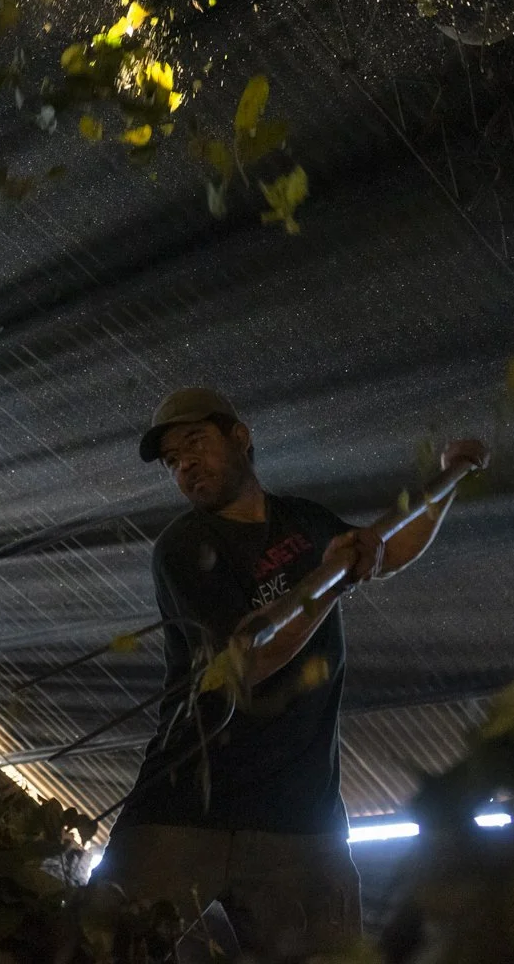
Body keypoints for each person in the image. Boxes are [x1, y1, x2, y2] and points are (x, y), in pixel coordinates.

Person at [90, 387, 489, 962]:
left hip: (302, 819)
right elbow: (248, 662)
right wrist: (328, 578)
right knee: (96, 949)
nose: (185, 467)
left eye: (195, 444)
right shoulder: (185, 547)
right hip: (183, 809)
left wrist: (449, 478)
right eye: (174, 462)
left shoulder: (304, 521)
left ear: (240, 437)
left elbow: (386, 549)